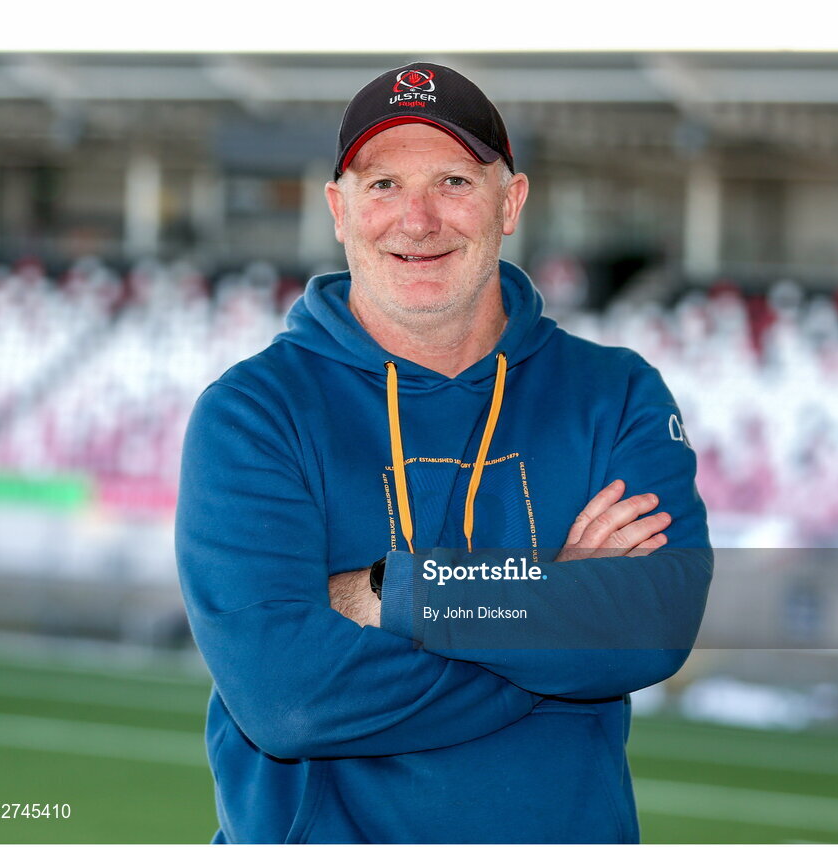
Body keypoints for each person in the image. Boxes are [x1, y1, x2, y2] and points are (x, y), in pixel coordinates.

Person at [175, 62, 711, 844]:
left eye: (455, 181)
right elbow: (286, 698)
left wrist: (398, 590)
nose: (418, 219)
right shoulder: (252, 413)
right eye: (383, 184)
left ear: (511, 201)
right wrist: (551, 609)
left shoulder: (615, 393)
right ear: (338, 209)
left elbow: (653, 623)